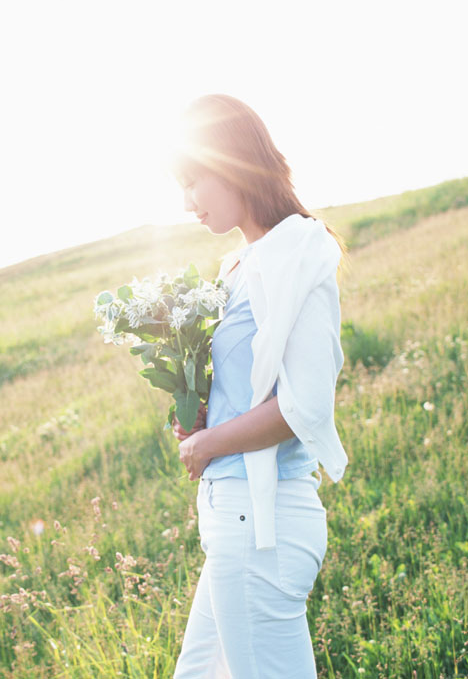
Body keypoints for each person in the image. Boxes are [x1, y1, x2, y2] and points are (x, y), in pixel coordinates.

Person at [168, 94, 349, 678]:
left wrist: (207, 445)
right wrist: (197, 412)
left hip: (262, 525)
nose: (187, 202)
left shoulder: (300, 248)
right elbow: (246, 389)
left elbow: (305, 406)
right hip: (233, 517)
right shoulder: (236, 266)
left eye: (194, 180)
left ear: (232, 160)